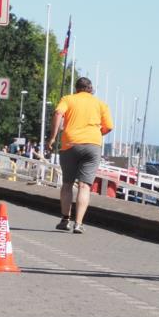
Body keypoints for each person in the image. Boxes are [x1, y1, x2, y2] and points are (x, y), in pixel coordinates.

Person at [47, 77, 113, 234]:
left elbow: (57, 113)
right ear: (90, 89)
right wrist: (96, 134)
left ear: (76, 89)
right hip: (92, 145)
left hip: (70, 144)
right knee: (84, 186)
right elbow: (109, 126)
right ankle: (78, 223)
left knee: (68, 183)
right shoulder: (100, 104)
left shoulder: (68, 99)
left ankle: (65, 220)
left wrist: (53, 137)